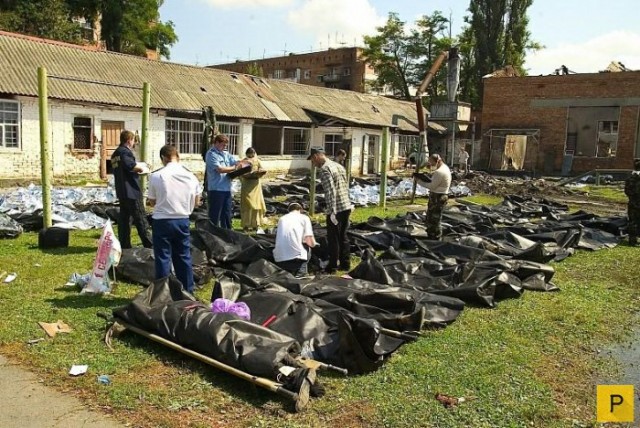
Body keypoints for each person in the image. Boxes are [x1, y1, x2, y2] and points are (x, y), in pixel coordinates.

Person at [147, 145, 202, 293]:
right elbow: (197, 201)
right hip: (182, 219)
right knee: (183, 256)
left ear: (163, 158)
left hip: (162, 220)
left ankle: (163, 292)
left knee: (163, 257)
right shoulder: (191, 176)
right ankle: (187, 290)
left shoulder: (156, 176)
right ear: (177, 156)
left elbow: (152, 201)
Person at [308, 146, 353, 273]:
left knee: (333, 238)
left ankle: (332, 266)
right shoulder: (338, 166)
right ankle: (345, 264)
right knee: (343, 236)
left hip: (337, 208)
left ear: (316, 156)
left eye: (312, 160)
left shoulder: (325, 169)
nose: (313, 163)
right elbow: (345, 184)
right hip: (346, 205)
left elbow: (330, 191)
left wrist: (332, 211)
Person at [111, 130, 153, 249]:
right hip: (132, 190)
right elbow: (131, 166)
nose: (134, 142)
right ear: (129, 140)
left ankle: (124, 245)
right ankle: (149, 244)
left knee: (124, 220)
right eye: (133, 140)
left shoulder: (114, 154)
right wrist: (144, 169)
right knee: (140, 218)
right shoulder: (125, 152)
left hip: (122, 191)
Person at [205, 134, 248, 229]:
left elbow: (235, 162)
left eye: (225, 145)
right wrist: (235, 167)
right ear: (216, 143)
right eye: (223, 145)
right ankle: (213, 233)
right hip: (216, 189)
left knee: (227, 214)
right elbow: (220, 169)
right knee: (215, 214)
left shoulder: (226, 154)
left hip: (226, 188)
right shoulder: (211, 154)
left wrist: (243, 163)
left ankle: (227, 233)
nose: (224, 147)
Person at [273, 203, 317, 277]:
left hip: (280, 259)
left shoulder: (282, 218)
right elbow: (309, 238)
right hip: (297, 259)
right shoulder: (304, 218)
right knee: (308, 248)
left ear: (289, 210)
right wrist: (315, 245)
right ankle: (302, 272)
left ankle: (289, 272)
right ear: (300, 210)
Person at [422, 153, 452, 240]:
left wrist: (419, 181)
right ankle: (432, 235)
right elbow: (435, 179)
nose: (430, 165)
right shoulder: (444, 168)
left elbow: (432, 186)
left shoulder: (440, 172)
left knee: (434, 219)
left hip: (438, 196)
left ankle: (435, 237)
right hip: (440, 195)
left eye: (431, 163)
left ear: (438, 161)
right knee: (432, 217)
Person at [240, 147, 267, 233]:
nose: (251, 158)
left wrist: (260, 172)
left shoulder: (257, 161)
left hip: (256, 185)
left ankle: (256, 224)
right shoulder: (243, 162)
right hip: (246, 185)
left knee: (257, 205)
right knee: (247, 206)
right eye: (249, 156)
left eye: (252, 156)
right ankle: (246, 225)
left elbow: (262, 169)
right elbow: (240, 173)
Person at [624, 158, 640, 246]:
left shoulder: (630, 177)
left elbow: (626, 191)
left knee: (633, 222)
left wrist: (632, 197)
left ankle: (632, 240)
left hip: (632, 203)